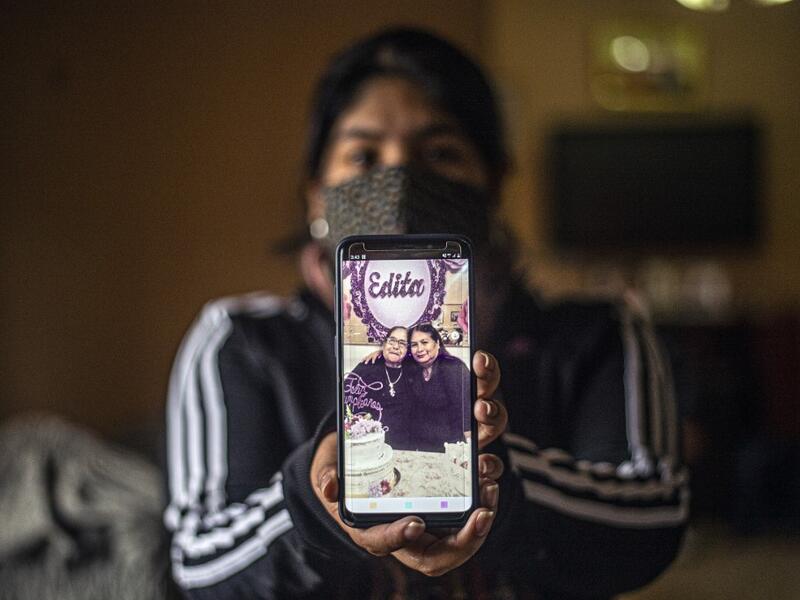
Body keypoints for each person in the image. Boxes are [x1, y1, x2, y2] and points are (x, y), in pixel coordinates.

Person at [164, 28, 688, 599]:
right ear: (316, 193)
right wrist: (315, 501)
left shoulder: (597, 333)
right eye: (363, 155)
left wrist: (491, 476)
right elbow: (200, 565)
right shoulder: (242, 342)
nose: (399, 180)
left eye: (441, 154)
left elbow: (651, 521)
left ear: (494, 183)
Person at [346, 325, 415, 449]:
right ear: (384, 343)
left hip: (402, 447)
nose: (395, 346)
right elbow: (344, 399)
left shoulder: (414, 372)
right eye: (392, 341)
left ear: (408, 350)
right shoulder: (367, 366)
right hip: (368, 446)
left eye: (402, 343)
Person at [405, 322, 470, 451]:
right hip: (419, 445)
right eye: (414, 345)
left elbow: (465, 408)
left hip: (449, 446)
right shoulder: (413, 369)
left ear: (437, 343)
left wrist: (468, 445)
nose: (419, 349)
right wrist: (378, 353)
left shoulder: (452, 366)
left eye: (424, 342)